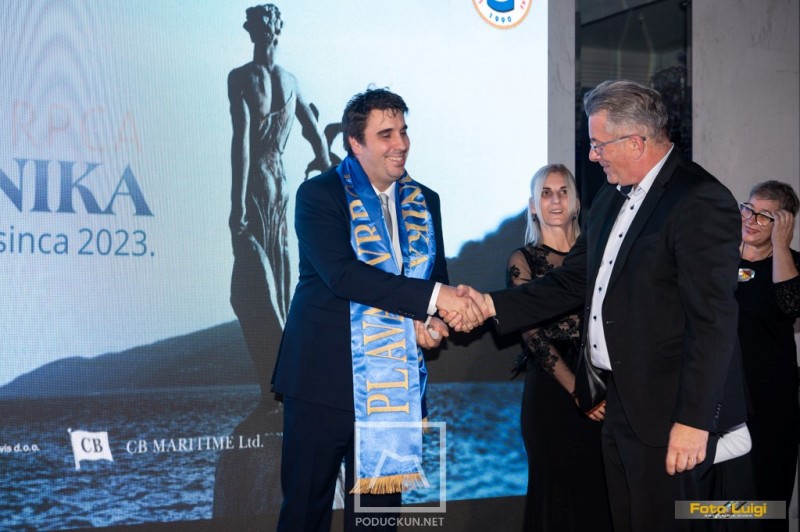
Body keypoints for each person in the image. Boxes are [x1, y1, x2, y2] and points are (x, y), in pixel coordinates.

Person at [446, 80, 747, 531]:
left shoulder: (698, 199)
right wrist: (490, 304)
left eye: (598, 144)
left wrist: (693, 421)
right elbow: (571, 282)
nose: (591, 156)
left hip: (668, 414)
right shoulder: (609, 198)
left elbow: (713, 321)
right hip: (618, 402)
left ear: (636, 142)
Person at [271, 87, 483, 531]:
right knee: (305, 513)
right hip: (321, 384)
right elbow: (343, 276)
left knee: (379, 521)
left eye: (403, 131)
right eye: (386, 134)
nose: (400, 143)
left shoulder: (426, 201)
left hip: (391, 389)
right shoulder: (319, 195)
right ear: (356, 142)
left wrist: (431, 322)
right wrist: (434, 299)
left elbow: (432, 279)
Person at [228, 4, 333, 397]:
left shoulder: (241, 77)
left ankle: (277, 379)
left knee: (253, 284)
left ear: (256, 31)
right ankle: (291, 372)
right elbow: (316, 135)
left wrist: (237, 204)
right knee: (280, 273)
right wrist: (325, 169)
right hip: (282, 182)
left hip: (257, 181)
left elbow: (242, 142)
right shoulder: (291, 81)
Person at [507, 164, 612, 531]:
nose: (555, 200)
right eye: (546, 193)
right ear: (533, 206)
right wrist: (579, 390)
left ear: (577, 202)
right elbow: (532, 335)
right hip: (552, 393)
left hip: (603, 382)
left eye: (563, 191)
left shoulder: (601, 256)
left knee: (601, 496)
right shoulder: (523, 260)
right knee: (556, 501)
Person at [737, 180, 800, 531]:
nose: (751, 219)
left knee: (768, 496)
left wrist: (781, 247)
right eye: (749, 209)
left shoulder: (791, 264)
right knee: (718, 500)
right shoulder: (718, 259)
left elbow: (790, 306)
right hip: (722, 396)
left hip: (771, 400)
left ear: (784, 223)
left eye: (765, 216)